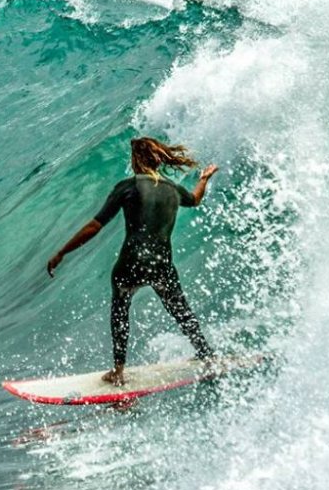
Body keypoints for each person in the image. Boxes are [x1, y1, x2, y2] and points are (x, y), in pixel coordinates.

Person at [47, 136, 218, 384]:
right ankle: (205, 353)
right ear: (158, 159)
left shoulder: (128, 187)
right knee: (181, 311)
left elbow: (96, 225)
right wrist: (204, 178)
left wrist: (62, 251)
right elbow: (195, 199)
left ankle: (118, 371)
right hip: (161, 265)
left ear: (136, 160)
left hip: (131, 264)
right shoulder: (174, 190)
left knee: (120, 310)